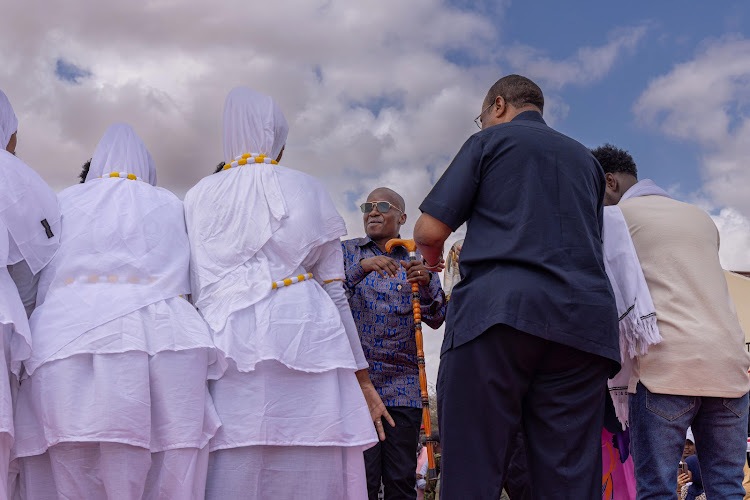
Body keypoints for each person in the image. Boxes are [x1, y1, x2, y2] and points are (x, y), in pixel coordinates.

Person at [413, 74, 619, 499]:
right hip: (583, 326)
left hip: (498, 315)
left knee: (474, 464)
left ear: (499, 105)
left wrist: (430, 264)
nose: (483, 125)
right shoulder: (588, 163)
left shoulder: (490, 143)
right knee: (569, 476)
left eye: (482, 117)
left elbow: (430, 231)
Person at [184, 86, 384, 499]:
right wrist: (362, 380)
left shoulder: (197, 196)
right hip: (308, 338)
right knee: (311, 458)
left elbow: (193, 289)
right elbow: (334, 291)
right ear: (277, 136)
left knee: (231, 458)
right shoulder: (308, 187)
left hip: (226, 342)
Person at [13, 123, 223, 499]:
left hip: (64, 339)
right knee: (169, 458)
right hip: (167, 340)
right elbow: (197, 279)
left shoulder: (62, 201)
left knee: (68, 456)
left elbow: (30, 279)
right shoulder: (171, 204)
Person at [592, 143, 750, 499]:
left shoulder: (614, 219)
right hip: (729, 369)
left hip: (665, 367)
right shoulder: (700, 217)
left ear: (609, 182)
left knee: (657, 491)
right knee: (726, 488)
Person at [342, 187, 446, 500]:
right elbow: (323, 297)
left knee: (401, 481)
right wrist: (361, 269)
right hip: (356, 386)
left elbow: (438, 316)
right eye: (368, 206)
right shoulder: (345, 252)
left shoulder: (418, 258)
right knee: (362, 481)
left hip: (404, 388)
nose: (373, 211)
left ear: (401, 217)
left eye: (383, 206)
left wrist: (426, 284)